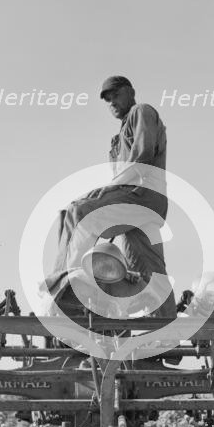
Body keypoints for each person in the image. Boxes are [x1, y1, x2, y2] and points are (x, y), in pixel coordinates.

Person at [45, 76, 176, 319]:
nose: (112, 102)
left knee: (77, 211)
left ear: (131, 92)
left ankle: (67, 286)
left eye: (116, 95)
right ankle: (166, 328)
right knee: (148, 267)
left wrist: (108, 189)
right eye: (107, 100)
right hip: (140, 205)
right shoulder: (116, 141)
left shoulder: (141, 112)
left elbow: (143, 156)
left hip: (141, 196)